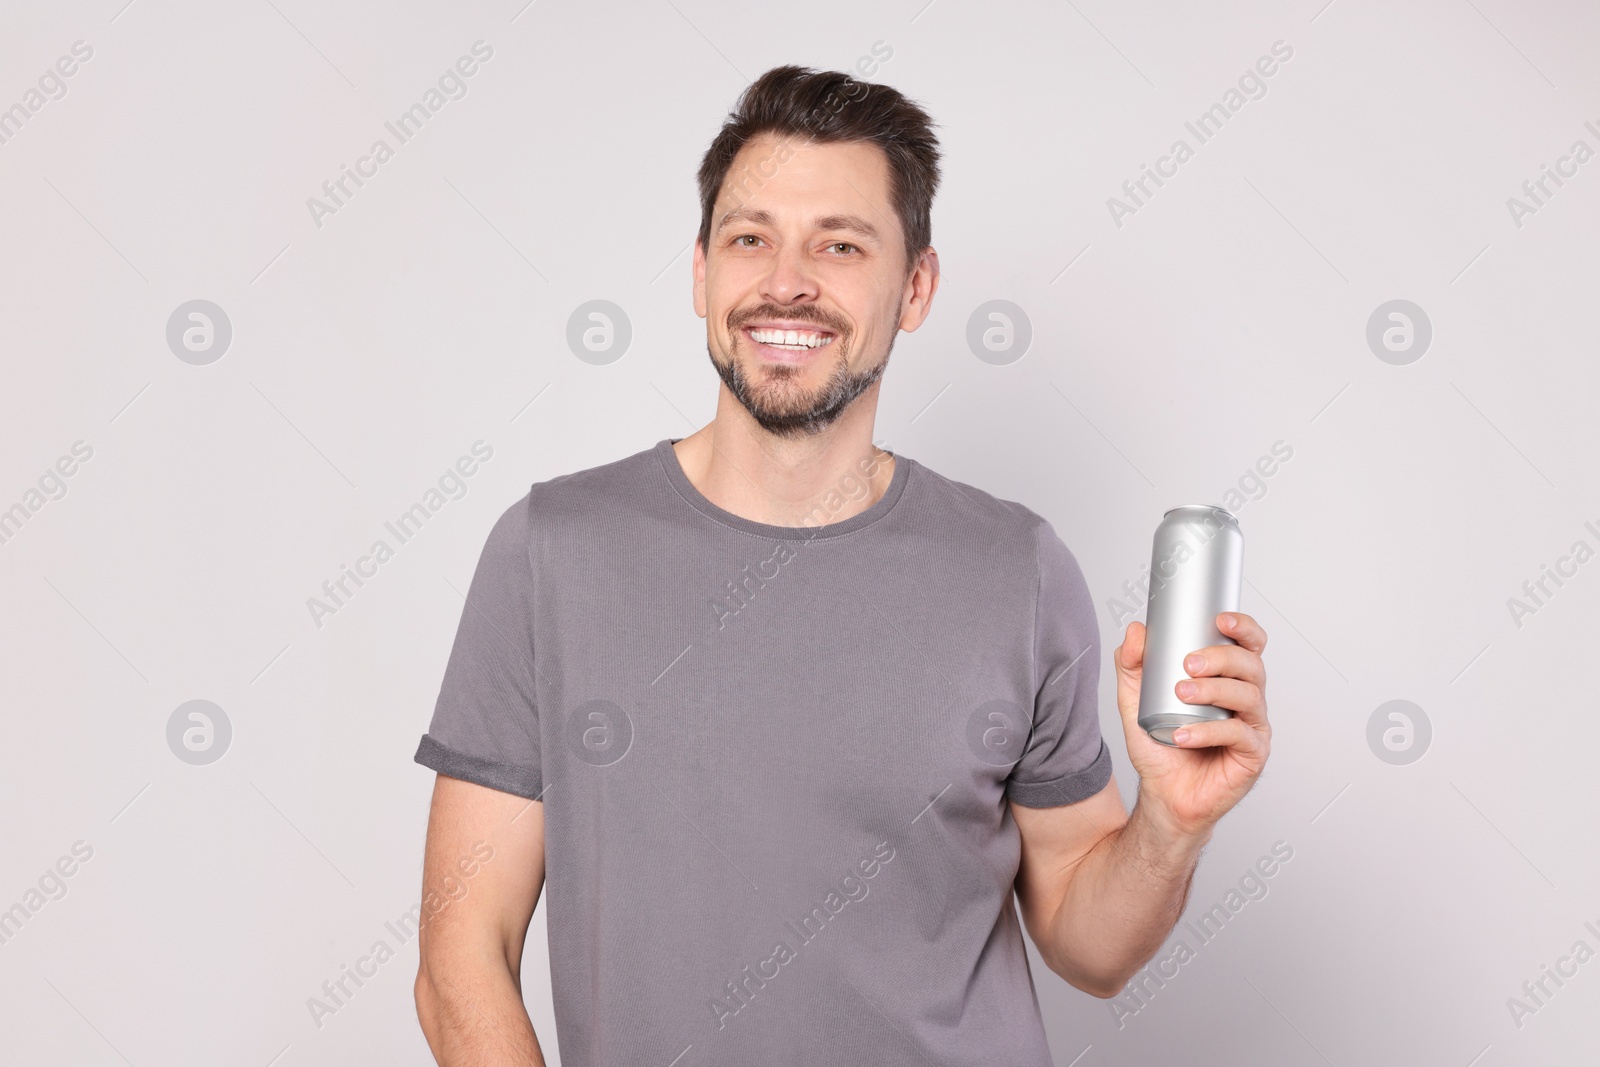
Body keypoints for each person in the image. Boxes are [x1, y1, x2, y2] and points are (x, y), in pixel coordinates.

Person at [411, 64, 1272, 1066]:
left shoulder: (1018, 568)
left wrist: (1169, 820)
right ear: (699, 274)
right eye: (750, 238)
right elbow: (460, 951)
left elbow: (1091, 944)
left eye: (840, 244)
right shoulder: (552, 550)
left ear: (914, 288)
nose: (787, 281)